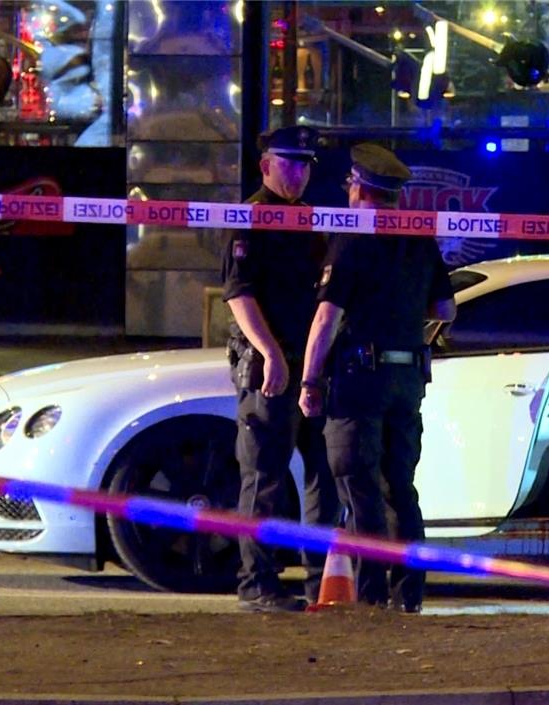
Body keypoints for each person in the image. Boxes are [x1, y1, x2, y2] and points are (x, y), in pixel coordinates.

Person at [298, 143, 456, 613]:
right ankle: (409, 596)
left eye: (350, 183)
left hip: (360, 381)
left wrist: (309, 381)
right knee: (400, 487)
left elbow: (326, 318)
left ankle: (370, 597)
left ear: (360, 188)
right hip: (407, 379)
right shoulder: (419, 238)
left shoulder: (352, 238)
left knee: (360, 486)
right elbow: (446, 308)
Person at [222, 125, 339, 613]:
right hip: (269, 367)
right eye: (290, 163)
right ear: (265, 165)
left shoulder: (310, 218)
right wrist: (270, 352)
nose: (300, 173)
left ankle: (320, 584)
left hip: (310, 365)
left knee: (323, 477)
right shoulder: (250, 218)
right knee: (264, 478)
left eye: (306, 164)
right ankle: (257, 585)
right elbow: (239, 295)